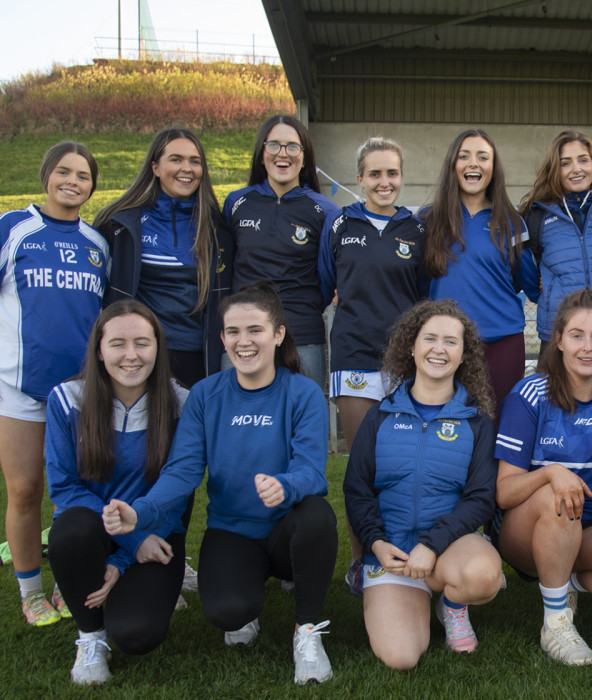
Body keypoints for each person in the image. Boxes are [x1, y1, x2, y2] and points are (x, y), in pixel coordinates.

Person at [102, 281, 339, 685]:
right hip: (232, 531)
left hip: (287, 530)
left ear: (278, 334)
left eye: (255, 330)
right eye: (233, 332)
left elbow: (313, 472)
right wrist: (138, 512)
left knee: (316, 514)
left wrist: (285, 485)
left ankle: (307, 633)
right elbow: (182, 471)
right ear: (222, 338)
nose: (243, 342)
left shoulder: (302, 392)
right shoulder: (205, 396)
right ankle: (246, 602)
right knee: (227, 611)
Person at [0, 141, 108, 626]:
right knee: (25, 490)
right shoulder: (11, 227)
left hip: (80, 394)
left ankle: (74, 584)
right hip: (15, 388)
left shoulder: (97, 243)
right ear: (46, 175)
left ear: (92, 185)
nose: (72, 181)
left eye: (83, 175)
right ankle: (30, 592)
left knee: (79, 493)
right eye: (64, 171)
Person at [493, 288, 592, 667]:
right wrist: (550, 473)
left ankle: (568, 584)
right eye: (577, 335)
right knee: (558, 495)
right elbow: (504, 492)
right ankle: (556, 623)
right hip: (528, 532)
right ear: (559, 340)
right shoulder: (529, 395)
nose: (587, 347)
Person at [344, 300, 502, 670]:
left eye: (451, 341)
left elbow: (481, 498)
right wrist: (377, 544)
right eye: (430, 339)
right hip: (393, 556)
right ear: (411, 347)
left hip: (444, 550)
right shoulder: (380, 415)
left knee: (483, 576)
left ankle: (452, 606)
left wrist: (432, 545)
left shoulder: (476, 421)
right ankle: (406, 596)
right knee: (401, 657)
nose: (439, 349)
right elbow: (357, 489)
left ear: (464, 354)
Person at [46, 301, 190, 685]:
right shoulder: (66, 400)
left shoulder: (181, 405)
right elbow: (64, 487)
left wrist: (130, 553)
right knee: (71, 531)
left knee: (136, 635)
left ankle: (126, 591)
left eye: (142, 343)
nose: (131, 355)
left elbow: (179, 494)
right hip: (96, 532)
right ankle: (90, 637)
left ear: (158, 347)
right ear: (98, 349)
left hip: (155, 532)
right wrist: (131, 541)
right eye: (118, 343)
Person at [319, 136, 429, 595]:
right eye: (375, 174)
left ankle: (409, 549)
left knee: (404, 459)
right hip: (355, 358)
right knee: (362, 464)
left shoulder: (417, 230)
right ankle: (361, 559)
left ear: (401, 177)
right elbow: (325, 283)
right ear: (360, 178)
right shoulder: (340, 224)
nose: (385, 182)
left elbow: (424, 294)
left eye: (392, 173)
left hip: (405, 363)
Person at [95, 126, 232, 387]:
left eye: (195, 161)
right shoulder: (119, 225)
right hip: (141, 359)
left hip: (200, 361)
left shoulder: (218, 229)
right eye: (176, 159)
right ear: (155, 167)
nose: (187, 168)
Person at [222, 114, 340, 385]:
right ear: (261, 152)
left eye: (292, 146)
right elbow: (225, 269)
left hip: (302, 335)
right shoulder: (237, 202)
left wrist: (303, 308)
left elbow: (327, 277)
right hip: (243, 337)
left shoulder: (325, 211)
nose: (283, 154)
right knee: (240, 422)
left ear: (305, 154)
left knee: (300, 422)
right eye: (274, 145)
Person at [424, 129, 536, 410]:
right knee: (449, 426)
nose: (473, 163)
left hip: (502, 343)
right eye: (464, 156)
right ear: (453, 165)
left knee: (498, 425)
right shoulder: (428, 219)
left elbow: (529, 283)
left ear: (492, 168)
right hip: (444, 345)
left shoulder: (512, 222)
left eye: (482, 157)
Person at [520, 129, 592, 381]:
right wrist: (547, 293)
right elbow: (529, 278)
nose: (576, 169)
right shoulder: (536, 215)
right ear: (555, 170)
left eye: (583, 160)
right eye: (565, 163)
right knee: (556, 410)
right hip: (559, 333)